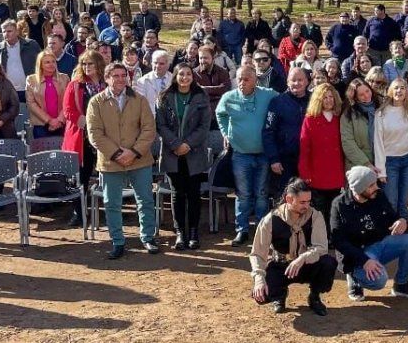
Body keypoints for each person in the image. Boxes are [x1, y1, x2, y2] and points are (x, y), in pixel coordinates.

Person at [86, 62, 159, 259]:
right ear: (107, 78)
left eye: (123, 75)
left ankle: (148, 237)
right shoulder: (96, 102)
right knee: (112, 203)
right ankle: (118, 241)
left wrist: (134, 152)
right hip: (110, 162)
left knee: (145, 200)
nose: (120, 79)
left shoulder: (140, 100)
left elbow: (148, 129)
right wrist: (118, 154)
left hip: (139, 159)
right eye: (115, 76)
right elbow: (94, 134)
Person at [249, 178, 337, 315]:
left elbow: (321, 247)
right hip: (281, 266)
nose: (307, 206)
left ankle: (314, 296)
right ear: (289, 199)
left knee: (328, 263)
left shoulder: (315, 216)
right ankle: (279, 295)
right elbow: (257, 254)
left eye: (309, 201)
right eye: (302, 202)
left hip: (307, 265)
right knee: (261, 295)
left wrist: (303, 258)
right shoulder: (270, 220)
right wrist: (259, 279)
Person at [331, 165, 408, 300]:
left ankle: (401, 284)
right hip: (358, 253)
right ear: (359, 188)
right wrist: (364, 260)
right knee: (379, 281)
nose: (376, 187)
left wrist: (400, 220)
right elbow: (338, 241)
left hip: (379, 244)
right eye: (371, 185)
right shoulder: (340, 205)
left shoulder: (378, 195)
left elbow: (391, 216)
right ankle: (355, 277)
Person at [217, 65, 279, 246]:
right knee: (243, 194)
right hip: (241, 154)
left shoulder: (267, 94)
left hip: (263, 154)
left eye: (246, 79)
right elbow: (220, 114)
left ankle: (261, 229)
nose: (242, 83)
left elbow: (283, 100)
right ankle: (241, 230)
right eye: (239, 79)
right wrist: (225, 133)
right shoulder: (229, 97)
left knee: (261, 193)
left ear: (255, 80)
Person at [156, 62, 211, 250]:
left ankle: (194, 232)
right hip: (173, 154)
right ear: (175, 76)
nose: (185, 77)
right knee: (177, 194)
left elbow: (204, 126)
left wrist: (187, 144)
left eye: (188, 74)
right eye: (181, 74)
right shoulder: (164, 97)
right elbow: (161, 125)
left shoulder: (201, 96)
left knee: (194, 194)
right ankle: (180, 232)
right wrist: (176, 144)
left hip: (194, 153)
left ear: (192, 77)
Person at [62, 52, 106, 226]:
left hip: (104, 135)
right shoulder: (75, 85)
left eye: (90, 64)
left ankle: (107, 211)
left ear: (98, 65)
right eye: (84, 64)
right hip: (81, 136)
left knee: (107, 173)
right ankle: (79, 213)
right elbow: (68, 110)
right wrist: (83, 122)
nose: (87, 67)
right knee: (81, 177)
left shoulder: (106, 84)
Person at [297, 83, 346, 234]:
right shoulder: (310, 120)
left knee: (334, 208)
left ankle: (332, 236)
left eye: (331, 97)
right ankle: (320, 237)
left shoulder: (340, 118)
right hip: (317, 174)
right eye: (325, 97)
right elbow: (304, 149)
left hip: (336, 173)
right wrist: (305, 173)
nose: (329, 100)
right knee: (319, 210)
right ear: (318, 99)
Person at [373, 78, 408, 218]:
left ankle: (404, 233)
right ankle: (390, 235)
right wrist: (381, 171)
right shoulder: (381, 113)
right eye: (396, 88)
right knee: (391, 201)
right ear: (391, 91)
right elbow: (378, 142)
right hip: (390, 161)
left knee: (406, 201)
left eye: (402, 88)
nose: (399, 91)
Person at [263, 67, 311, 197]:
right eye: (293, 80)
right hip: (284, 161)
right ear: (287, 82)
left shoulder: (314, 100)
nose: (297, 83)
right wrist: (274, 159)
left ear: (307, 81)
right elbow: (268, 131)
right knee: (286, 197)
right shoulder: (277, 102)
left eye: (300, 80)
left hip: (309, 160)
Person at [0, 19, 42, 102]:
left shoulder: (31, 45)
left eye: (9, 31)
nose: (6, 34)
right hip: (7, 90)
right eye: (4, 32)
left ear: (17, 32)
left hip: (29, 88)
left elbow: (41, 63)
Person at [25, 51, 69, 139]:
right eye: (47, 62)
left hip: (62, 124)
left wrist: (59, 120)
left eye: (53, 61)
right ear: (40, 65)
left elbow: (68, 101)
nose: (51, 64)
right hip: (40, 125)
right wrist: (49, 120)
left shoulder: (65, 78)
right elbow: (31, 103)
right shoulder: (31, 80)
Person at [341, 78, 379, 170]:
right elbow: (348, 142)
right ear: (355, 97)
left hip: (381, 163)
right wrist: (366, 163)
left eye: (367, 91)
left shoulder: (381, 107)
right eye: (361, 95)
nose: (366, 96)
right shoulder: (348, 114)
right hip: (359, 166)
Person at [193, 45, 231, 115]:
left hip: (220, 107)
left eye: (205, 58)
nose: (202, 61)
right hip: (201, 109)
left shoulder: (223, 72)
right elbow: (196, 92)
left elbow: (225, 89)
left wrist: (204, 89)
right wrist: (217, 89)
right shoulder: (194, 73)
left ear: (213, 58)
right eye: (200, 58)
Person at [133, 50, 173, 115]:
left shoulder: (174, 80)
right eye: (155, 63)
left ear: (168, 65)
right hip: (151, 118)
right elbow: (140, 105)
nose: (157, 66)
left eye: (161, 63)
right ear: (151, 63)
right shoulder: (142, 81)